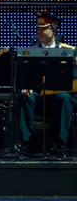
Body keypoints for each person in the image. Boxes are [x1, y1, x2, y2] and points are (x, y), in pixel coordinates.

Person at [15, 9, 76, 156]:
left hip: (58, 95)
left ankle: (60, 144)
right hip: (38, 96)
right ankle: (25, 144)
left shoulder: (69, 51)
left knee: (64, 97)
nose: (40, 31)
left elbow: (74, 76)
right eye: (38, 28)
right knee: (25, 96)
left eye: (44, 28)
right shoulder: (31, 52)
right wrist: (26, 87)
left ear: (53, 29)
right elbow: (23, 77)